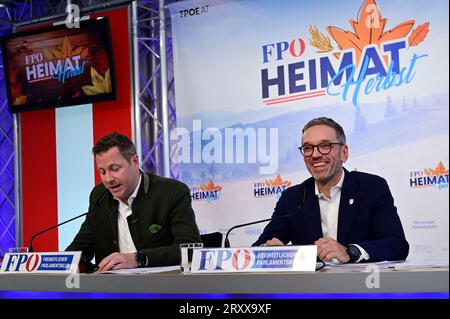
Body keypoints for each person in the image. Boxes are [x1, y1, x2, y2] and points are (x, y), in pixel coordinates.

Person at [253, 117, 409, 263]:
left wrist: (350, 252)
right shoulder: (292, 198)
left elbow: (396, 245)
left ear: (344, 153)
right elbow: (259, 247)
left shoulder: (372, 187)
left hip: (362, 287)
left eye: (325, 146)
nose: (315, 155)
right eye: (308, 148)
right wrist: (270, 252)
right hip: (310, 290)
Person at [66, 132, 201, 272]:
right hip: (111, 290)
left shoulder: (171, 192)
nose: (108, 179)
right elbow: (82, 244)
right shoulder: (99, 195)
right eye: (102, 171)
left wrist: (138, 259)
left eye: (114, 169)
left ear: (135, 162)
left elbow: (189, 248)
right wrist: (60, 262)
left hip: (163, 288)